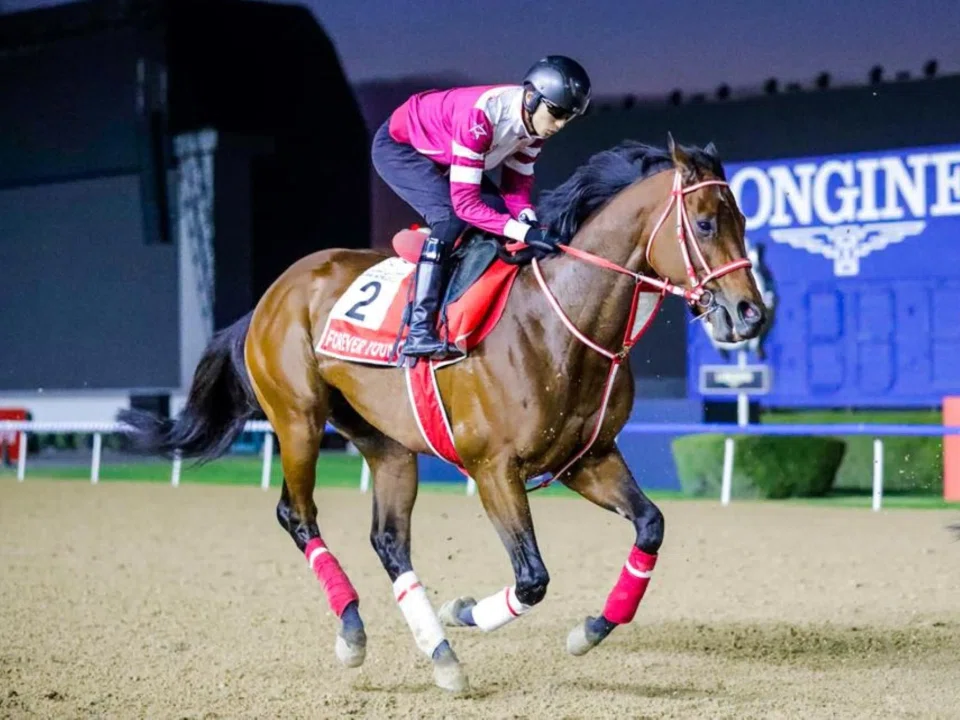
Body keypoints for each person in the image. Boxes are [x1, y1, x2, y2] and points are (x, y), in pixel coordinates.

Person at [372, 55, 592, 360]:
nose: (559, 125)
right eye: (556, 113)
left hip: (446, 150)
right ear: (531, 98)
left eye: (568, 118)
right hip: (403, 149)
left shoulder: (534, 129)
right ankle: (419, 330)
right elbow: (465, 205)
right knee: (449, 218)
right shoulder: (481, 117)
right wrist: (524, 233)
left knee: (497, 212)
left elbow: (515, 192)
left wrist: (530, 224)